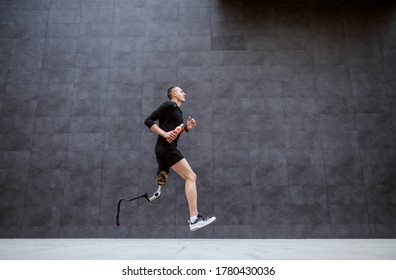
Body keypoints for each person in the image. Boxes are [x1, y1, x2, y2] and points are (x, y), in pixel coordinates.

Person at [144, 86, 216, 231]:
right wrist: (164, 134)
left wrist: (186, 129)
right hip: (166, 149)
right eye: (181, 91)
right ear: (174, 94)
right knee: (191, 177)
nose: (185, 93)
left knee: (190, 177)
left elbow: (174, 135)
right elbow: (148, 120)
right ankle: (194, 219)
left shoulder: (177, 111)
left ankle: (194, 219)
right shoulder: (169, 104)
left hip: (165, 149)